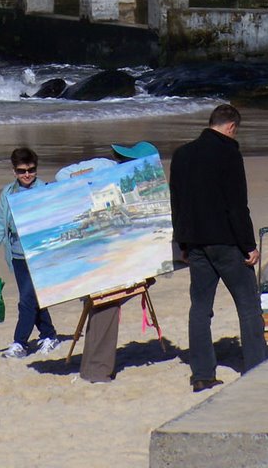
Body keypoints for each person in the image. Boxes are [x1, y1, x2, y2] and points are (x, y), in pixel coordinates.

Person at [169, 104, 268, 393]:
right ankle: (256, 367)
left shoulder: (182, 154)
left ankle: (201, 374)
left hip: (196, 242)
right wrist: (248, 246)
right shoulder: (229, 153)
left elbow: (177, 204)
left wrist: (182, 243)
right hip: (226, 242)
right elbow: (237, 205)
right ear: (231, 127)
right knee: (248, 305)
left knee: (200, 308)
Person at [57, 140, 160, 383]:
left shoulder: (143, 182)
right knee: (105, 302)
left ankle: (95, 368)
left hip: (119, 248)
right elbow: (62, 176)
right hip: (95, 248)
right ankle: (96, 370)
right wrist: (91, 183)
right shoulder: (103, 166)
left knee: (106, 302)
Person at [0, 146, 60, 358]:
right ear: (14, 171)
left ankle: (19, 343)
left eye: (31, 170)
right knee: (34, 298)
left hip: (40, 254)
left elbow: (55, 220)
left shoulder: (44, 189)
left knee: (27, 299)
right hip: (17, 255)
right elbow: (1, 222)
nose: (27, 175)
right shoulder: (8, 193)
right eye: (21, 171)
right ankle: (49, 336)